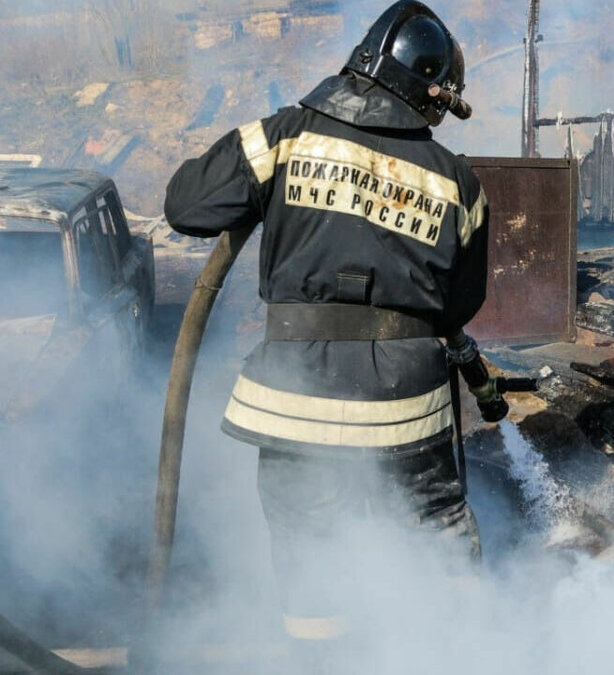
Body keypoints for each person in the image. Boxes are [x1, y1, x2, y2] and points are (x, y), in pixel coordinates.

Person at [163, 0, 491, 660]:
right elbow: (461, 304)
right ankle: (462, 655)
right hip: (407, 402)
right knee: (436, 533)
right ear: (426, 91)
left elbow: (187, 205)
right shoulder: (457, 182)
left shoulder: (283, 137)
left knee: (310, 552)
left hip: (296, 398)